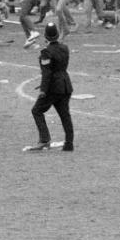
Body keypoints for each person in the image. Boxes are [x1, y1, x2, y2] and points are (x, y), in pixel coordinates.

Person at [26, 22, 74, 152]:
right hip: (65, 85)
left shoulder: (46, 53)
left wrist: (43, 90)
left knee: (37, 110)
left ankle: (44, 140)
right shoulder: (65, 48)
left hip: (53, 88)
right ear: (57, 35)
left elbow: (47, 73)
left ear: (46, 36)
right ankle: (69, 143)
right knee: (65, 115)